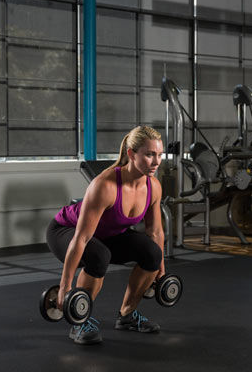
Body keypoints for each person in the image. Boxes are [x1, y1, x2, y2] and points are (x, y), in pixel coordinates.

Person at [46, 126, 165, 345]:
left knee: (152, 253)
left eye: (159, 155)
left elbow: (155, 232)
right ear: (131, 154)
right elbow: (81, 238)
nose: (156, 162)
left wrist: (161, 273)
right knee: (99, 255)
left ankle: (127, 316)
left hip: (107, 234)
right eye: (149, 155)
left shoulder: (154, 186)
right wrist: (65, 287)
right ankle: (79, 320)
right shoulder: (105, 185)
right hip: (65, 231)